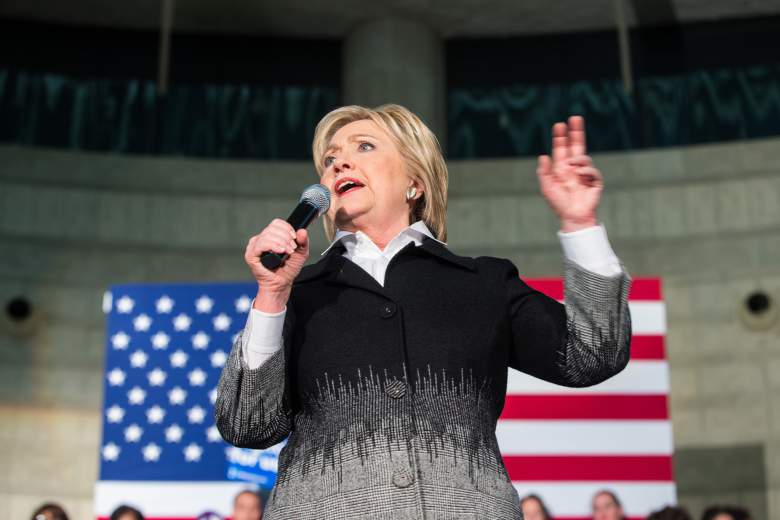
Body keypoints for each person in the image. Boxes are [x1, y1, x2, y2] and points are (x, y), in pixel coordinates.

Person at [215, 104, 632, 519]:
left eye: (363, 146)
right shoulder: (296, 293)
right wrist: (271, 294)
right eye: (329, 159)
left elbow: (592, 355)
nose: (339, 162)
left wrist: (580, 223)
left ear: (415, 182)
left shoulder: (484, 282)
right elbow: (247, 424)